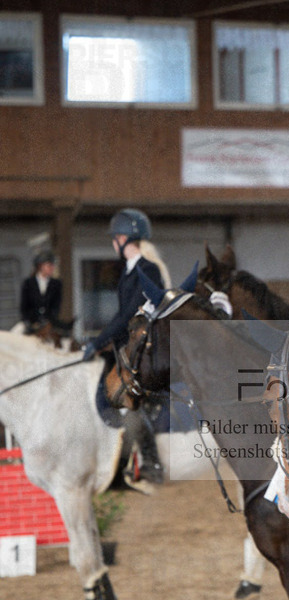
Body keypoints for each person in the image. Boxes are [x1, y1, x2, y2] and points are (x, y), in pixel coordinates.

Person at [82, 207, 166, 486]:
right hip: (126, 347)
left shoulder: (147, 270)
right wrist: (105, 343)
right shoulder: (128, 271)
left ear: (124, 238)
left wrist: (98, 341)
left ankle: (152, 462)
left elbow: (128, 314)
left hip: (144, 350)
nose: (112, 243)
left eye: (114, 238)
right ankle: (119, 454)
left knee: (132, 401)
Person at [20, 249, 63, 330]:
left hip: (49, 323)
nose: (52, 268)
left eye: (53, 265)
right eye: (49, 265)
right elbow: (24, 305)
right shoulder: (28, 283)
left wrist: (49, 320)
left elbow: (56, 306)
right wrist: (28, 321)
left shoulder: (57, 284)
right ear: (40, 266)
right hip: (31, 322)